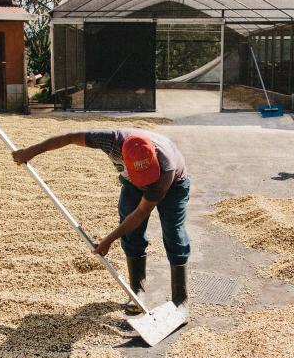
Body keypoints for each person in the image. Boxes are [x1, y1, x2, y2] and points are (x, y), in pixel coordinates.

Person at [11, 128, 190, 311]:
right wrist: (31, 152)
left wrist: (108, 240)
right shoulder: (110, 141)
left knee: (173, 232)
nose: (145, 183)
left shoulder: (166, 166)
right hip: (131, 181)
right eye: (141, 178)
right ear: (123, 157)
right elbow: (70, 137)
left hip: (173, 184)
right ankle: (137, 291)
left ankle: (180, 298)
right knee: (131, 233)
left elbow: (141, 213)